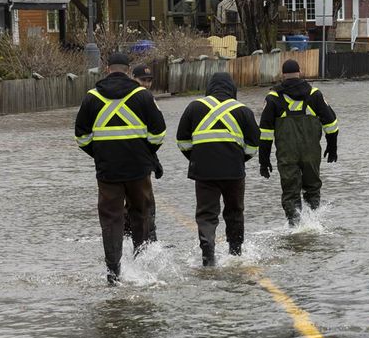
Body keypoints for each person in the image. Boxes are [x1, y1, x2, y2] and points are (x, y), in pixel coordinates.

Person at [74, 52, 166, 285]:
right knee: (140, 214)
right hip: (138, 169)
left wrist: (100, 154)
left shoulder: (91, 98)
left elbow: (82, 137)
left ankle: (114, 272)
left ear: (106, 68)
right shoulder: (142, 96)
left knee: (111, 219)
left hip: (108, 171)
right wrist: (145, 154)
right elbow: (158, 133)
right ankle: (141, 265)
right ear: (128, 70)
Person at [177, 72, 260, 266]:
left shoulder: (194, 107)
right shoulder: (243, 110)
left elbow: (182, 141)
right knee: (235, 212)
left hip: (204, 173)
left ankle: (208, 257)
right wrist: (239, 159)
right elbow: (254, 146)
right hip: (234, 172)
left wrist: (197, 158)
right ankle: (235, 254)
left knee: (206, 214)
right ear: (232, 89)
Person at [258, 59, 339, 225]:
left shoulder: (273, 98)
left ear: (282, 74)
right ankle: (313, 223)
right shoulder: (314, 95)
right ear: (300, 72)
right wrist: (332, 147)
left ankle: (295, 228)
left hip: (287, 155)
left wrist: (263, 160)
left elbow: (265, 133)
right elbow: (331, 124)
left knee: (290, 192)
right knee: (312, 189)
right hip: (311, 153)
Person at [128, 62, 162, 241]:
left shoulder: (147, 98)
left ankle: (140, 240)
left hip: (137, 159)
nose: (147, 84)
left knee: (139, 203)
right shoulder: (141, 98)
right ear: (133, 78)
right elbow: (157, 133)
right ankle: (146, 240)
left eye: (149, 80)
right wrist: (149, 154)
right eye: (143, 80)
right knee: (145, 202)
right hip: (137, 161)